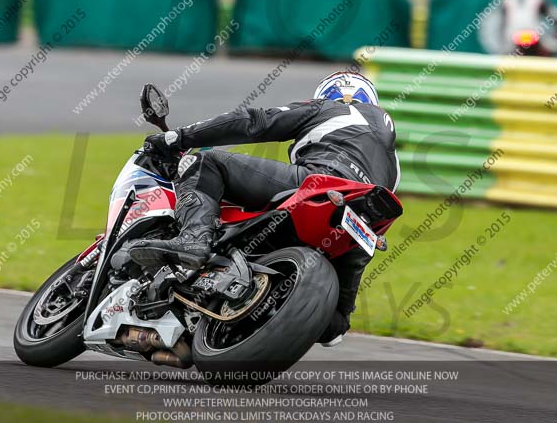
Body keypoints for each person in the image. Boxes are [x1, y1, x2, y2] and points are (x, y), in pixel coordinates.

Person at [122, 71, 400, 346]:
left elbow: (256, 122)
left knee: (208, 163)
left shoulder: (333, 109)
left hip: (321, 183)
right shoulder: (393, 163)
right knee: (336, 325)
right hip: (360, 226)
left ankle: (193, 237)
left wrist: (180, 137)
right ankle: (317, 313)